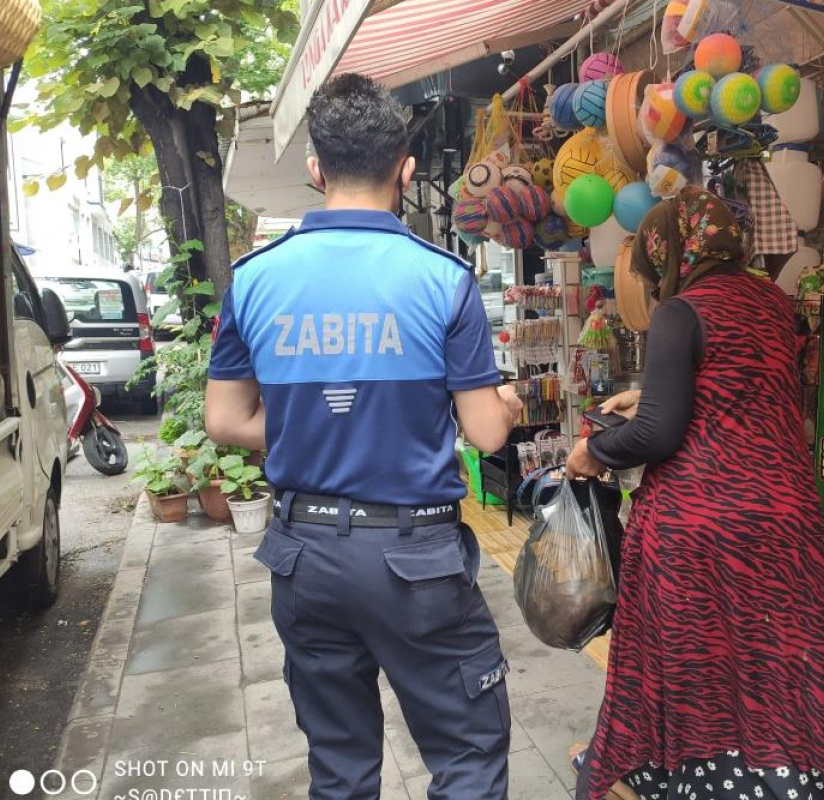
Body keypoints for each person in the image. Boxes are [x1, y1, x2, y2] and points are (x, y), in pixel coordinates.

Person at [205, 73, 522, 800]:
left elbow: (223, 421)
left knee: (341, 769)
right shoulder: (443, 280)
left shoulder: (255, 280)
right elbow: (483, 432)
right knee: (468, 757)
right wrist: (501, 405)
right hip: (416, 562)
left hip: (304, 557)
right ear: (406, 168)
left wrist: (305, 427)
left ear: (316, 169)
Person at [565, 187, 824, 800]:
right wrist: (648, 395)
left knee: (700, 660)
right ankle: (806, 778)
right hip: (786, 513)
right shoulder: (774, 303)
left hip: (702, 521)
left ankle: (705, 779)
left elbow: (658, 433)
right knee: (783, 652)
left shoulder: (681, 311)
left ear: (669, 251)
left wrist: (593, 453)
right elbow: (741, 388)